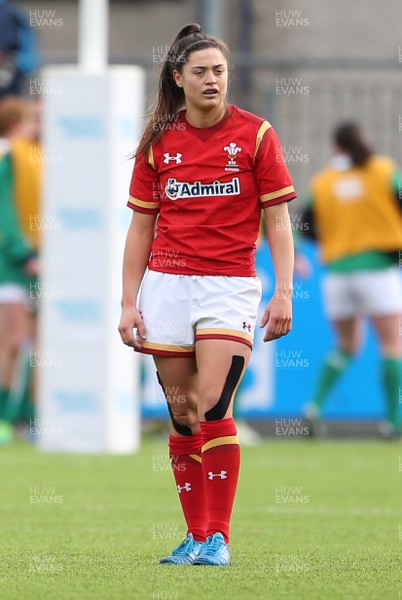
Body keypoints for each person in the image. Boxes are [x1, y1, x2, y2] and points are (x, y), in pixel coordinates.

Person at [118, 23, 296, 566]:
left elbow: (279, 221)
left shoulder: (257, 135)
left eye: (219, 71)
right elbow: (141, 230)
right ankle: (195, 536)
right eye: (200, 72)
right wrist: (129, 301)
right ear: (179, 78)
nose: (212, 80)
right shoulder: (159, 142)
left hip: (228, 286)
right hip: (168, 287)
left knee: (215, 405)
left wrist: (283, 290)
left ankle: (218, 537)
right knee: (183, 414)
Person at [302, 122, 402, 439]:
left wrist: (331, 240)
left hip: (338, 274)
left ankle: (314, 407)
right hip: (377, 268)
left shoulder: (324, 182)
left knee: (346, 346)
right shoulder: (383, 171)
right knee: (391, 344)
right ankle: (393, 422)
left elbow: (306, 225)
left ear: (336, 147)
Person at [0, 96, 40, 444]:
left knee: (35, 344)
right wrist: (20, 250)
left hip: (37, 262)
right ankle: (5, 416)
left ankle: (28, 418)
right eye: (32, 120)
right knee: (11, 341)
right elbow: (6, 210)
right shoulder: (9, 156)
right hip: (10, 264)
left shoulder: (38, 158)